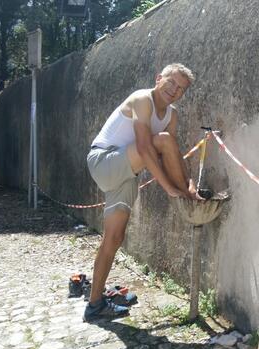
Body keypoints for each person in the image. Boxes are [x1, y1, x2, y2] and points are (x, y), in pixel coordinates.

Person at [84, 63, 198, 321]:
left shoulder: (172, 114)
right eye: (171, 82)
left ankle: (94, 304)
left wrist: (188, 181)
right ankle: (190, 200)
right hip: (104, 161)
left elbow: (173, 156)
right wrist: (171, 189)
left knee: (114, 237)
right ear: (159, 78)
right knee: (163, 141)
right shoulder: (141, 99)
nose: (174, 90)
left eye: (181, 89)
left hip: (127, 172)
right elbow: (147, 148)